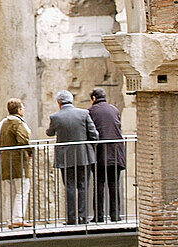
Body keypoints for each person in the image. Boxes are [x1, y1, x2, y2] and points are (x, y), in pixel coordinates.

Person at [46, 89, 99, 224]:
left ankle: (71, 218)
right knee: (83, 186)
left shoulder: (55, 117)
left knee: (69, 186)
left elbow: (50, 133)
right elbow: (94, 134)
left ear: (59, 103)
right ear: (71, 100)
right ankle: (83, 217)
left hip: (65, 157)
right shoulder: (84, 113)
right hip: (83, 155)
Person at [89, 87, 126, 221]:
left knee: (99, 185)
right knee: (114, 184)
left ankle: (98, 216)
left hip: (100, 153)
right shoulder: (114, 109)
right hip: (116, 152)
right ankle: (115, 215)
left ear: (93, 99)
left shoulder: (91, 111)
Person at [0, 98, 32, 228]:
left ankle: (9, 220)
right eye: (22, 108)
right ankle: (17, 218)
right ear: (19, 110)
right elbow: (23, 140)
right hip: (17, 162)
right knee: (22, 190)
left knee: (8, 194)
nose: (24, 110)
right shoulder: (18, 124)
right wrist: (30, 150)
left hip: (5, 162)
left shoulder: (2, 123)